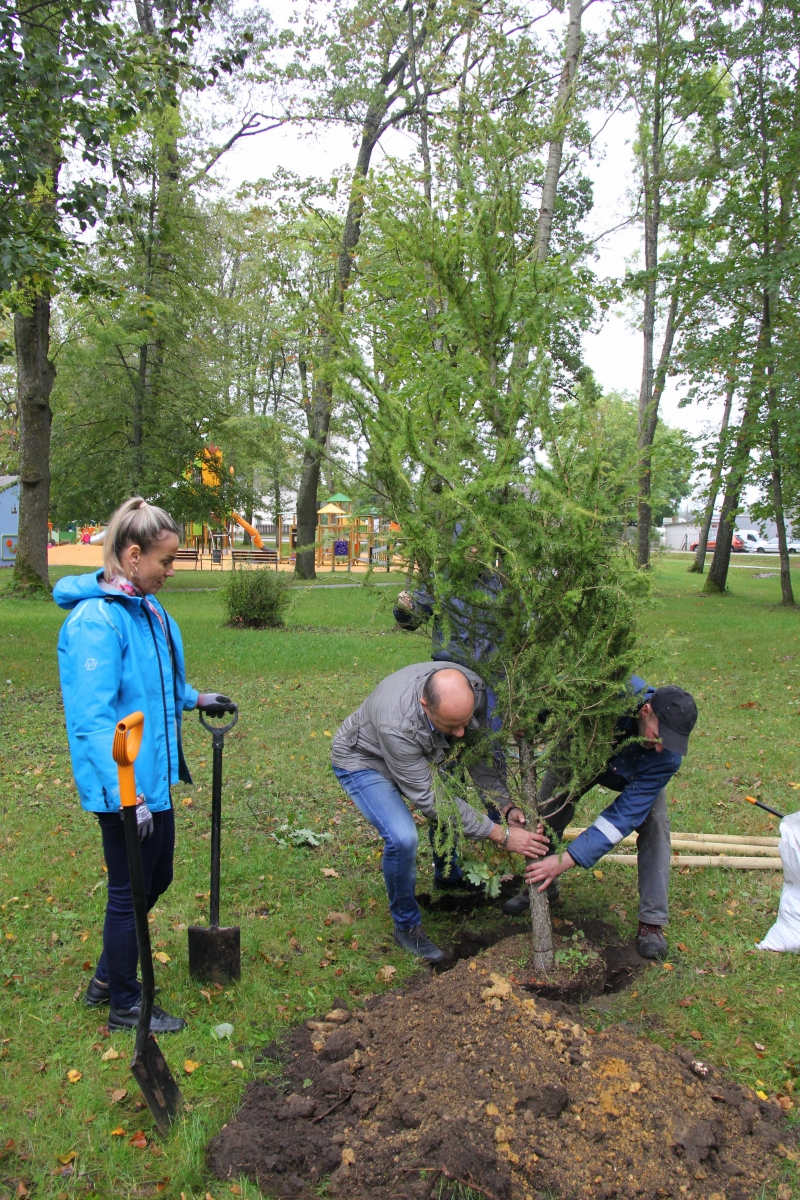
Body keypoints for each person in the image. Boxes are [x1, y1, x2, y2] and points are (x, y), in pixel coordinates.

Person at [55, 497, 233, 1032]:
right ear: (133, 555)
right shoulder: (96, 622)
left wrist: (197, 698)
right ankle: (125, 1003)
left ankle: (108, 976)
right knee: (130, 889)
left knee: (159, 876)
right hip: (123, 784)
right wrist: (122, 798)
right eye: (166, 561)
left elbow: (159, 686)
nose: (171, 572)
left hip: (153, 777)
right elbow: (92, 720)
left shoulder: (149, 612)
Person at [331, 661, 549, 963]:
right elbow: (434, 801)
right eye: (451, 726)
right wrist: (500, 834)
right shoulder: (396, 723)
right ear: (425, 705)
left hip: (419, 751)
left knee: (453, 785)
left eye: (465, 721)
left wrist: (504, 805)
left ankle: (447, 877)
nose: (461, 733)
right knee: (403, 837)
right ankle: (406, 926)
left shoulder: (472, 691)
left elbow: (477, 752)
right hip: (364, 759)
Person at [504, 678, 698, 960]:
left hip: (633, 775)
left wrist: (567, 860)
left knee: (655, 823)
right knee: (547, 812)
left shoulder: (666, 757)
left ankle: (652, 922)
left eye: (669, 742)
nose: (660, 747)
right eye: (658, 736)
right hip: (580, 753)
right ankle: (542, 886)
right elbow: (558, 686)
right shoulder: (610, 688)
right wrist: (534, 721)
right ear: (645, 711)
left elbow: (621, 818)